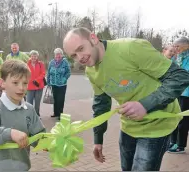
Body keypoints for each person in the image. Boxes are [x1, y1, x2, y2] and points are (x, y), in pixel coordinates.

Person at [63, 27, 189, 171]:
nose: (80, 58)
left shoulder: (131, 48)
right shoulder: (91, 71)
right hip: (129, 127)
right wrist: (98, 140)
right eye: (73, 55)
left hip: (157, 126)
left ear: (93, 38)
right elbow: (101, 104)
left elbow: (180, 77)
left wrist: (145, 105)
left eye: (80, 48)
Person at [0, 60, 46, 171]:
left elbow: (39, 137)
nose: (21, 88)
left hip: (22, 168)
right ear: (2, 83)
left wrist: (50, 143)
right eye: (15, 83)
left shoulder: (29, 109)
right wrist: (8, 134)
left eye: (25, 83)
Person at [168, 36, 189, 154]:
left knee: (182, 119)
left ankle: (180, 145)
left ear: (186, 46)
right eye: (174, 46)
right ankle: (172, 142)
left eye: (177, 46)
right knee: (173, 116)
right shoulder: (177, 57)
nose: (175, 48)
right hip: (175, 91)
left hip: (186, 93)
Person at [47, 48, 71, 120]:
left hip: (62, 85)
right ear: (54, 55)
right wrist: (48, 82)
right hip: (53, 84)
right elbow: (48, 73)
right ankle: (55, 113)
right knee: (55, 99)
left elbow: (68, 72)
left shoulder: (65, 62)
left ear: (62, 55)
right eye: (56, 54)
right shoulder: (51, 62)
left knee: (60, 100)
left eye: (59, 54)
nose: (58, 55)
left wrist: (64, 79)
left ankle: (60, 114)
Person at [26, 50, 46, 117]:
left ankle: (37, 115)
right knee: (29, 102)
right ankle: (30, 115)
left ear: (37, 57)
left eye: (35, 56)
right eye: (32, 56)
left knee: (37, 103)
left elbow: (43, 73)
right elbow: (25, 74)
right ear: (30, 56)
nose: (33, 57)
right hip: (30, 87)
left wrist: (37, 80)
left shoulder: (41, 64)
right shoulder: (26, 64)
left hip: (39, 86)